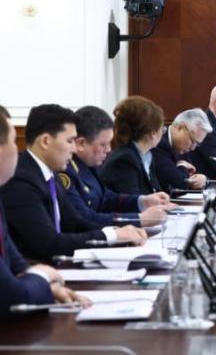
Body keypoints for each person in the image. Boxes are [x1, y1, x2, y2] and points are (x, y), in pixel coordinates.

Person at [0, 104, 146, 263]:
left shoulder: (49, 173)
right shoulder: (21, 181)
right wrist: (112, 236)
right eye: (70, 141)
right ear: (46, 141)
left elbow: (75, 223)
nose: (75, 149)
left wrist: (119, 233)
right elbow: (48, 244)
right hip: (40, 267)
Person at [0, 105, 91, 317]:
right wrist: (41, 276)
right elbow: (14, 298)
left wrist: (44, 285)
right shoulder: (21, 180)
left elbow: (15, 261)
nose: (18, 150)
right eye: (13, 141)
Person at [60, 106, 173, 227]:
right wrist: (139, 219)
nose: (109, 149)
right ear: (81, 144)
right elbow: (84, 218)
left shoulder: (91, 164)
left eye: (109, 143)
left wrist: (142, 201)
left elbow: (107, 198)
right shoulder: (66, 171)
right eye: (103, 144)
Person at [100, 96, 167, 195]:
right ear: (152, 133)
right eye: (162, 129)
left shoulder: (146, 156)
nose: (163, 133)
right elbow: (132, 200)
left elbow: (156, 193)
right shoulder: (125, 159)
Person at [153, 108, 211, 192]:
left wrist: (204, 179)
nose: (193, 148)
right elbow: (178, 183)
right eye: (193, 141)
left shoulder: (182, 147)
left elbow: (192, 174)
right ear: (180, 128)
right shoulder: (159, 143)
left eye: (197, 144)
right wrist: (182, 165)